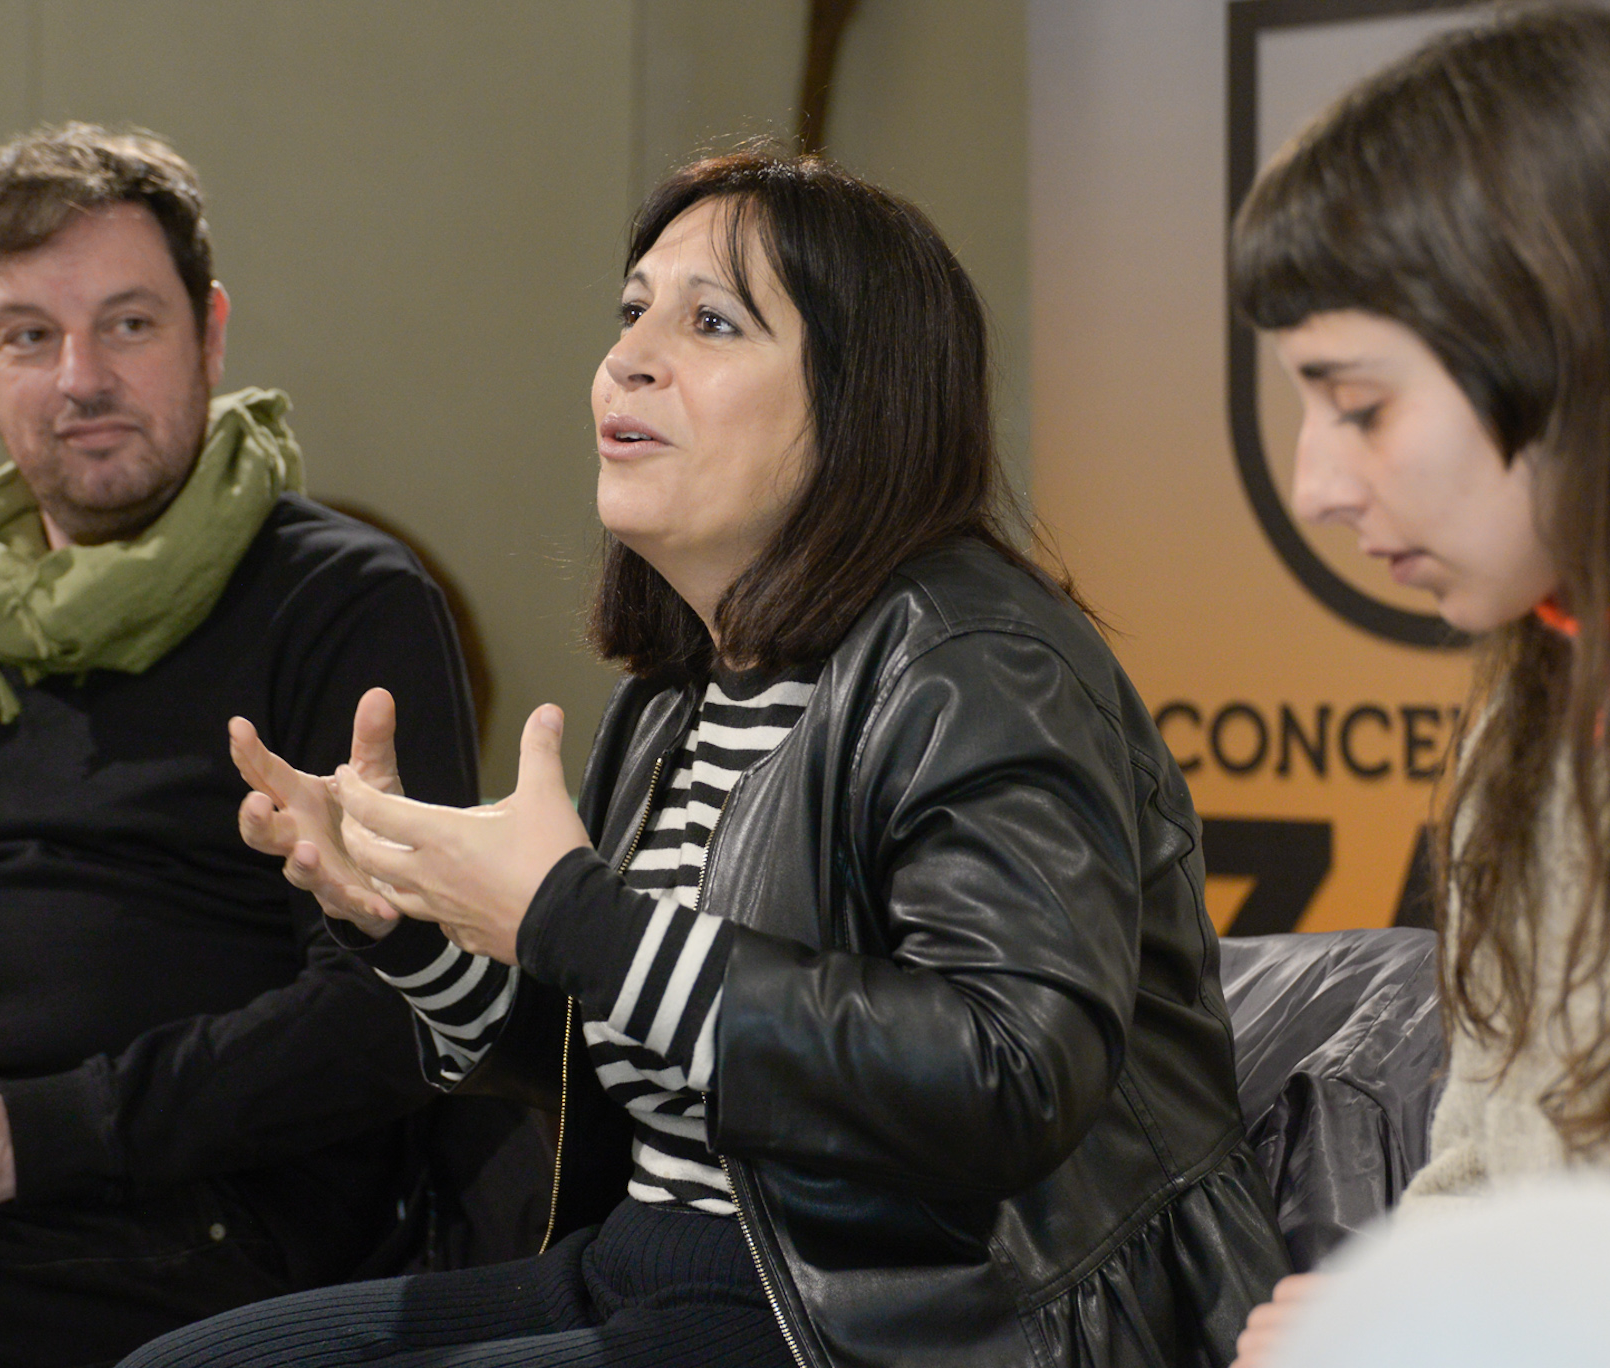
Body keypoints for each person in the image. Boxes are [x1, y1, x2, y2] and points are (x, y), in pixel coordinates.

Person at [127, 150, 1293, 1368]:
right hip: (653, 1264)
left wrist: (573, 918)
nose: (628, 359)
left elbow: (1006, 1076)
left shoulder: (976, 661)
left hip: (902, 1317)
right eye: (631, 312)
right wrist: (409, 920)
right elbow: (629, 1040)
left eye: (712, 322)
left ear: (861, 396)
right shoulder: (676, 690)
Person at [0, 124, 484, 1365]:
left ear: (210, 334)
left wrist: (21, 1136)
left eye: (129, 324)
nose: (79, 379)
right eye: (26, 336)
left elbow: (388, 1013)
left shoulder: (344, 601)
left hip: (201, 1209)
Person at [1223, 8, 1610, 1363]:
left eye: (1359, 406)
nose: (1315, 485)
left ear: (1576, 343)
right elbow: (1485, 1166)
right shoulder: (1539, 701)